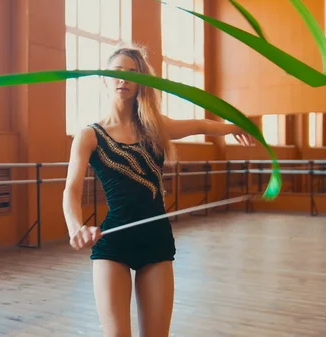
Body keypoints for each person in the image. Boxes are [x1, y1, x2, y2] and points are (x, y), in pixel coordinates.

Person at [62, 44, 254, 337]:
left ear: (142, 84)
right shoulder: (90, 135)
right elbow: (71, 191)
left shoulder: (155, 127)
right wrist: (76, 227)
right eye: (116, 73)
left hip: (156, 239)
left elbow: (200, 125)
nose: (123, 79)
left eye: (132, 73)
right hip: (114, 242)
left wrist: (234, 127)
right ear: (104, 79)